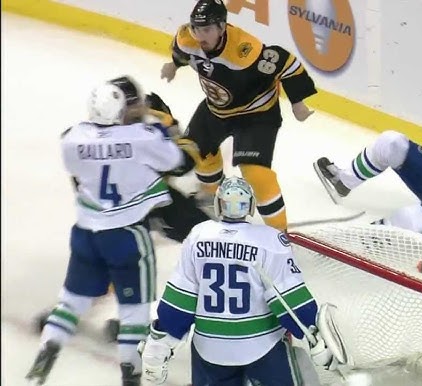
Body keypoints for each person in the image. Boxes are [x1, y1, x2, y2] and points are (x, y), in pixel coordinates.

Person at [25, 76, 186, 386]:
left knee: (70, 304)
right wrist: (167, 128)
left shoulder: (73, 138)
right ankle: (132, 377)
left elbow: (81, 160)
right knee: (134, 313)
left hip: (86, 233)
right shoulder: (143, 138)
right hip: (127, 235)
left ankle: (40, 367)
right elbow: (177, 160)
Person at [31, 92, 212, 342]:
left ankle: (73, 311)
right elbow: (181, 162)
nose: (138, 109)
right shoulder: (144, 132)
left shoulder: (87, 137)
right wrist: (173, 133)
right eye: (133, 105)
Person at [138, 176, 345, 386]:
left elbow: (181, 299)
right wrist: (314, 334)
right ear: (251, 206)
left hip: (210, 348)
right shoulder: (269, 240)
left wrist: (161, 340)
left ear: (219, 205)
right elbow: (289, 299)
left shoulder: (198, 236)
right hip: (261, 345)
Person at [161, 0, 318, 231]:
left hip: (256, 114)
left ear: (222, 27)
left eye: (206, 30)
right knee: (197, 151)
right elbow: (182, 53)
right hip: (216, 109)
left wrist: (298, 102)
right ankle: (214, 195)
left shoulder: (244, 50)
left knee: (255, 173)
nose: (199, 35)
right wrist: (173, 66)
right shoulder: (187, 37)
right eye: (196, 28)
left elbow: (286, 63)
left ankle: (279, 234)